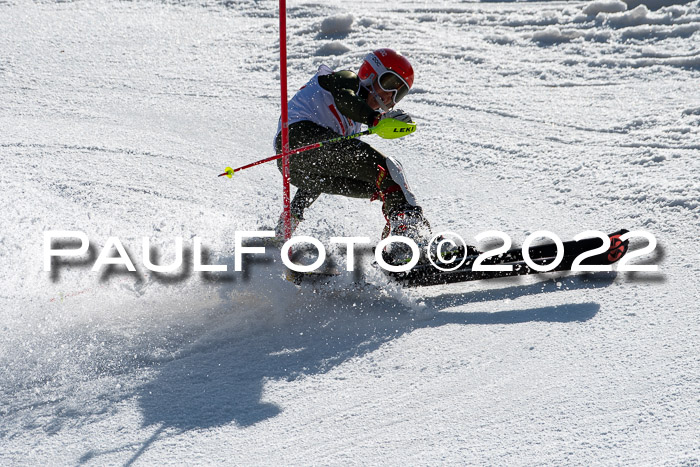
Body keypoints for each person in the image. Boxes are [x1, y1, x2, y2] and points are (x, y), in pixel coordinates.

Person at [273, 48, 431, 263]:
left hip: (298, 169)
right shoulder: (346, 79)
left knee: (382, 185)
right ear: (370, 73)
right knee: (386, 167)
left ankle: (394, 249)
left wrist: (294, 213)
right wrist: (374, 119)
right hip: (297, 138)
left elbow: (318, 175)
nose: (390, 96)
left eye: (399, 92)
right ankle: (410, 234)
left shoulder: (352, 127)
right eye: (389, 84)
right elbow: (345, 100)